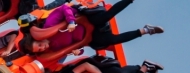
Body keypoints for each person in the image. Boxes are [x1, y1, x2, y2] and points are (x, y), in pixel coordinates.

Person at [19, 0, 162, 56]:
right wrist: (77, 51)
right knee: (113, 40)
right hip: (89, 36)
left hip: (84, 19)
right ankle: (145, 30)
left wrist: (70, 21)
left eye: (39, 45)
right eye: (40, 50)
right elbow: (77, 48)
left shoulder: (48, 24)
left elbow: (63, 8)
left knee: (106, 16)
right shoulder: (55, 48)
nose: (42, 47)